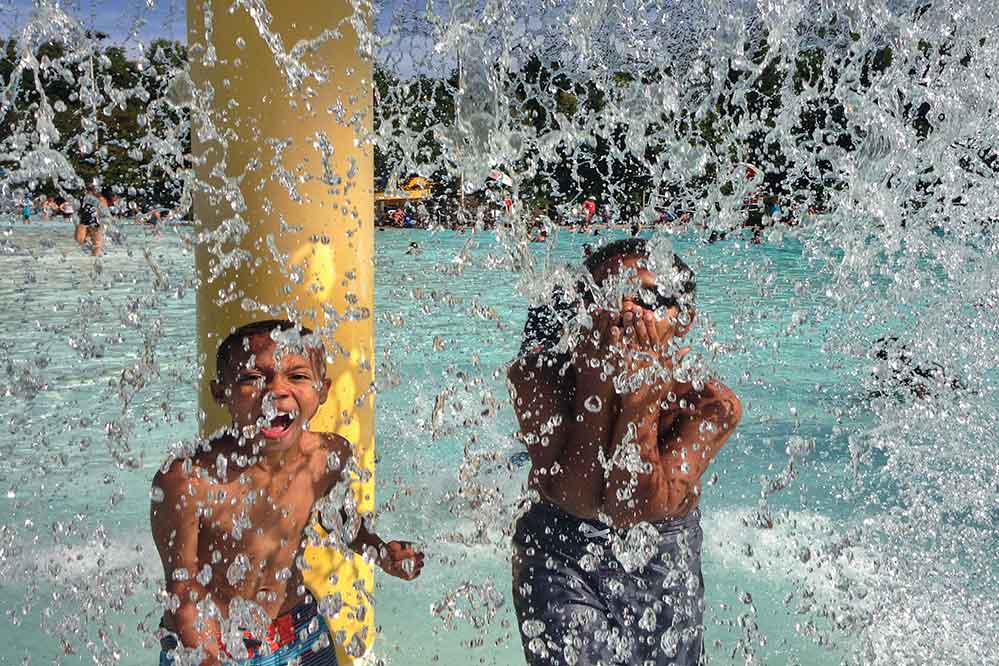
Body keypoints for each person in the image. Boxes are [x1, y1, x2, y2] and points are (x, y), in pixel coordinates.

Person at [507, 238, 742, 666]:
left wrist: (641, 404)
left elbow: (633, 508)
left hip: (662, 558)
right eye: (612, 295)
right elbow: (575, 498)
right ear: (584, 305)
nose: (631, 309)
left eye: (652, 299)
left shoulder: (711, 405)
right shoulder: (537, 377)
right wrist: (599, 386)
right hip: (559, 551)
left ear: (683, 320)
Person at [151, 319, 424, 666]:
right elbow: (183, 591)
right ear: (221, 393)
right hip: (210, 644)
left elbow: (339, 520)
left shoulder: (328, 456)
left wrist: (381, 551)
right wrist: (206, 658)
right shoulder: (188, 480)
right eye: (252, 378)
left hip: (299, 634)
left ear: (321, 390)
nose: (276, 391)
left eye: (296, 376)